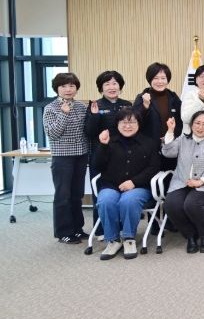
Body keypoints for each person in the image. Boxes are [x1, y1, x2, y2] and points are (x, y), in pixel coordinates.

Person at [94, 107, 160, 260]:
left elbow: (154, 168)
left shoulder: (149, 143)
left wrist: (134, 182)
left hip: (139, 186)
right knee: (105, 201)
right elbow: (98, 166)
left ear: (139, 124)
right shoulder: (109, 141)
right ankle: (113, 240)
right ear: (117, 124)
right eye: (123, 122)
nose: (127, 126)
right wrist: (103, 146)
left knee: (128, 200)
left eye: (132, 122)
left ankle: (129, 238)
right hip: (111, 185)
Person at [162, 111, 204, 254]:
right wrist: (170, 131)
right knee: (171, 204)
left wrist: (202, 181)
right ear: (191, 125)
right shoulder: (182, 139)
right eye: (197, 123)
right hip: (181, 183)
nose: (200, 127)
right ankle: (190, 235)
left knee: (191, 204)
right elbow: (168, 153)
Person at [43, 73, 89, 244]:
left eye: (71, 86)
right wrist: (63, 114)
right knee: (63, 195)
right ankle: (63, 232)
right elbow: (53, 134)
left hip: (81, 155)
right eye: (63, 86)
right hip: (62, 157)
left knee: (77, 194)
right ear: (57, 89)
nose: (68, 89)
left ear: (76, 88)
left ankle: (77, 229)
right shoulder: (51, 108)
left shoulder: (81, 107)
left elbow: (86, 132)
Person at [84, 70, 132, 236]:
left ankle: (122, 229)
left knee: (122, 191)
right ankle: (101, 230)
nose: (111, 87)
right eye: (107, 84)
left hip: (123, 156)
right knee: (100, 193)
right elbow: (89, 132)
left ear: (120, 86)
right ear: (101, 88)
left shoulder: (127, 105)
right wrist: (94, 116)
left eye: (115, 83)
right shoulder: (95, 105)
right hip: (100, 155)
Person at [133, 62, 183, 170]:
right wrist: (145, 106)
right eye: (156, 78)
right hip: (149, 148)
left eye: (163, 78)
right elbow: (135, 121)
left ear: (167, 80)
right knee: (152, 175)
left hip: (171, 146)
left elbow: (181, 120)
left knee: (170, 174)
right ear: (150, 79)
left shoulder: (173, 97)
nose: (160, 82)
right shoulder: (142, 97)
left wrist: (172, 137)